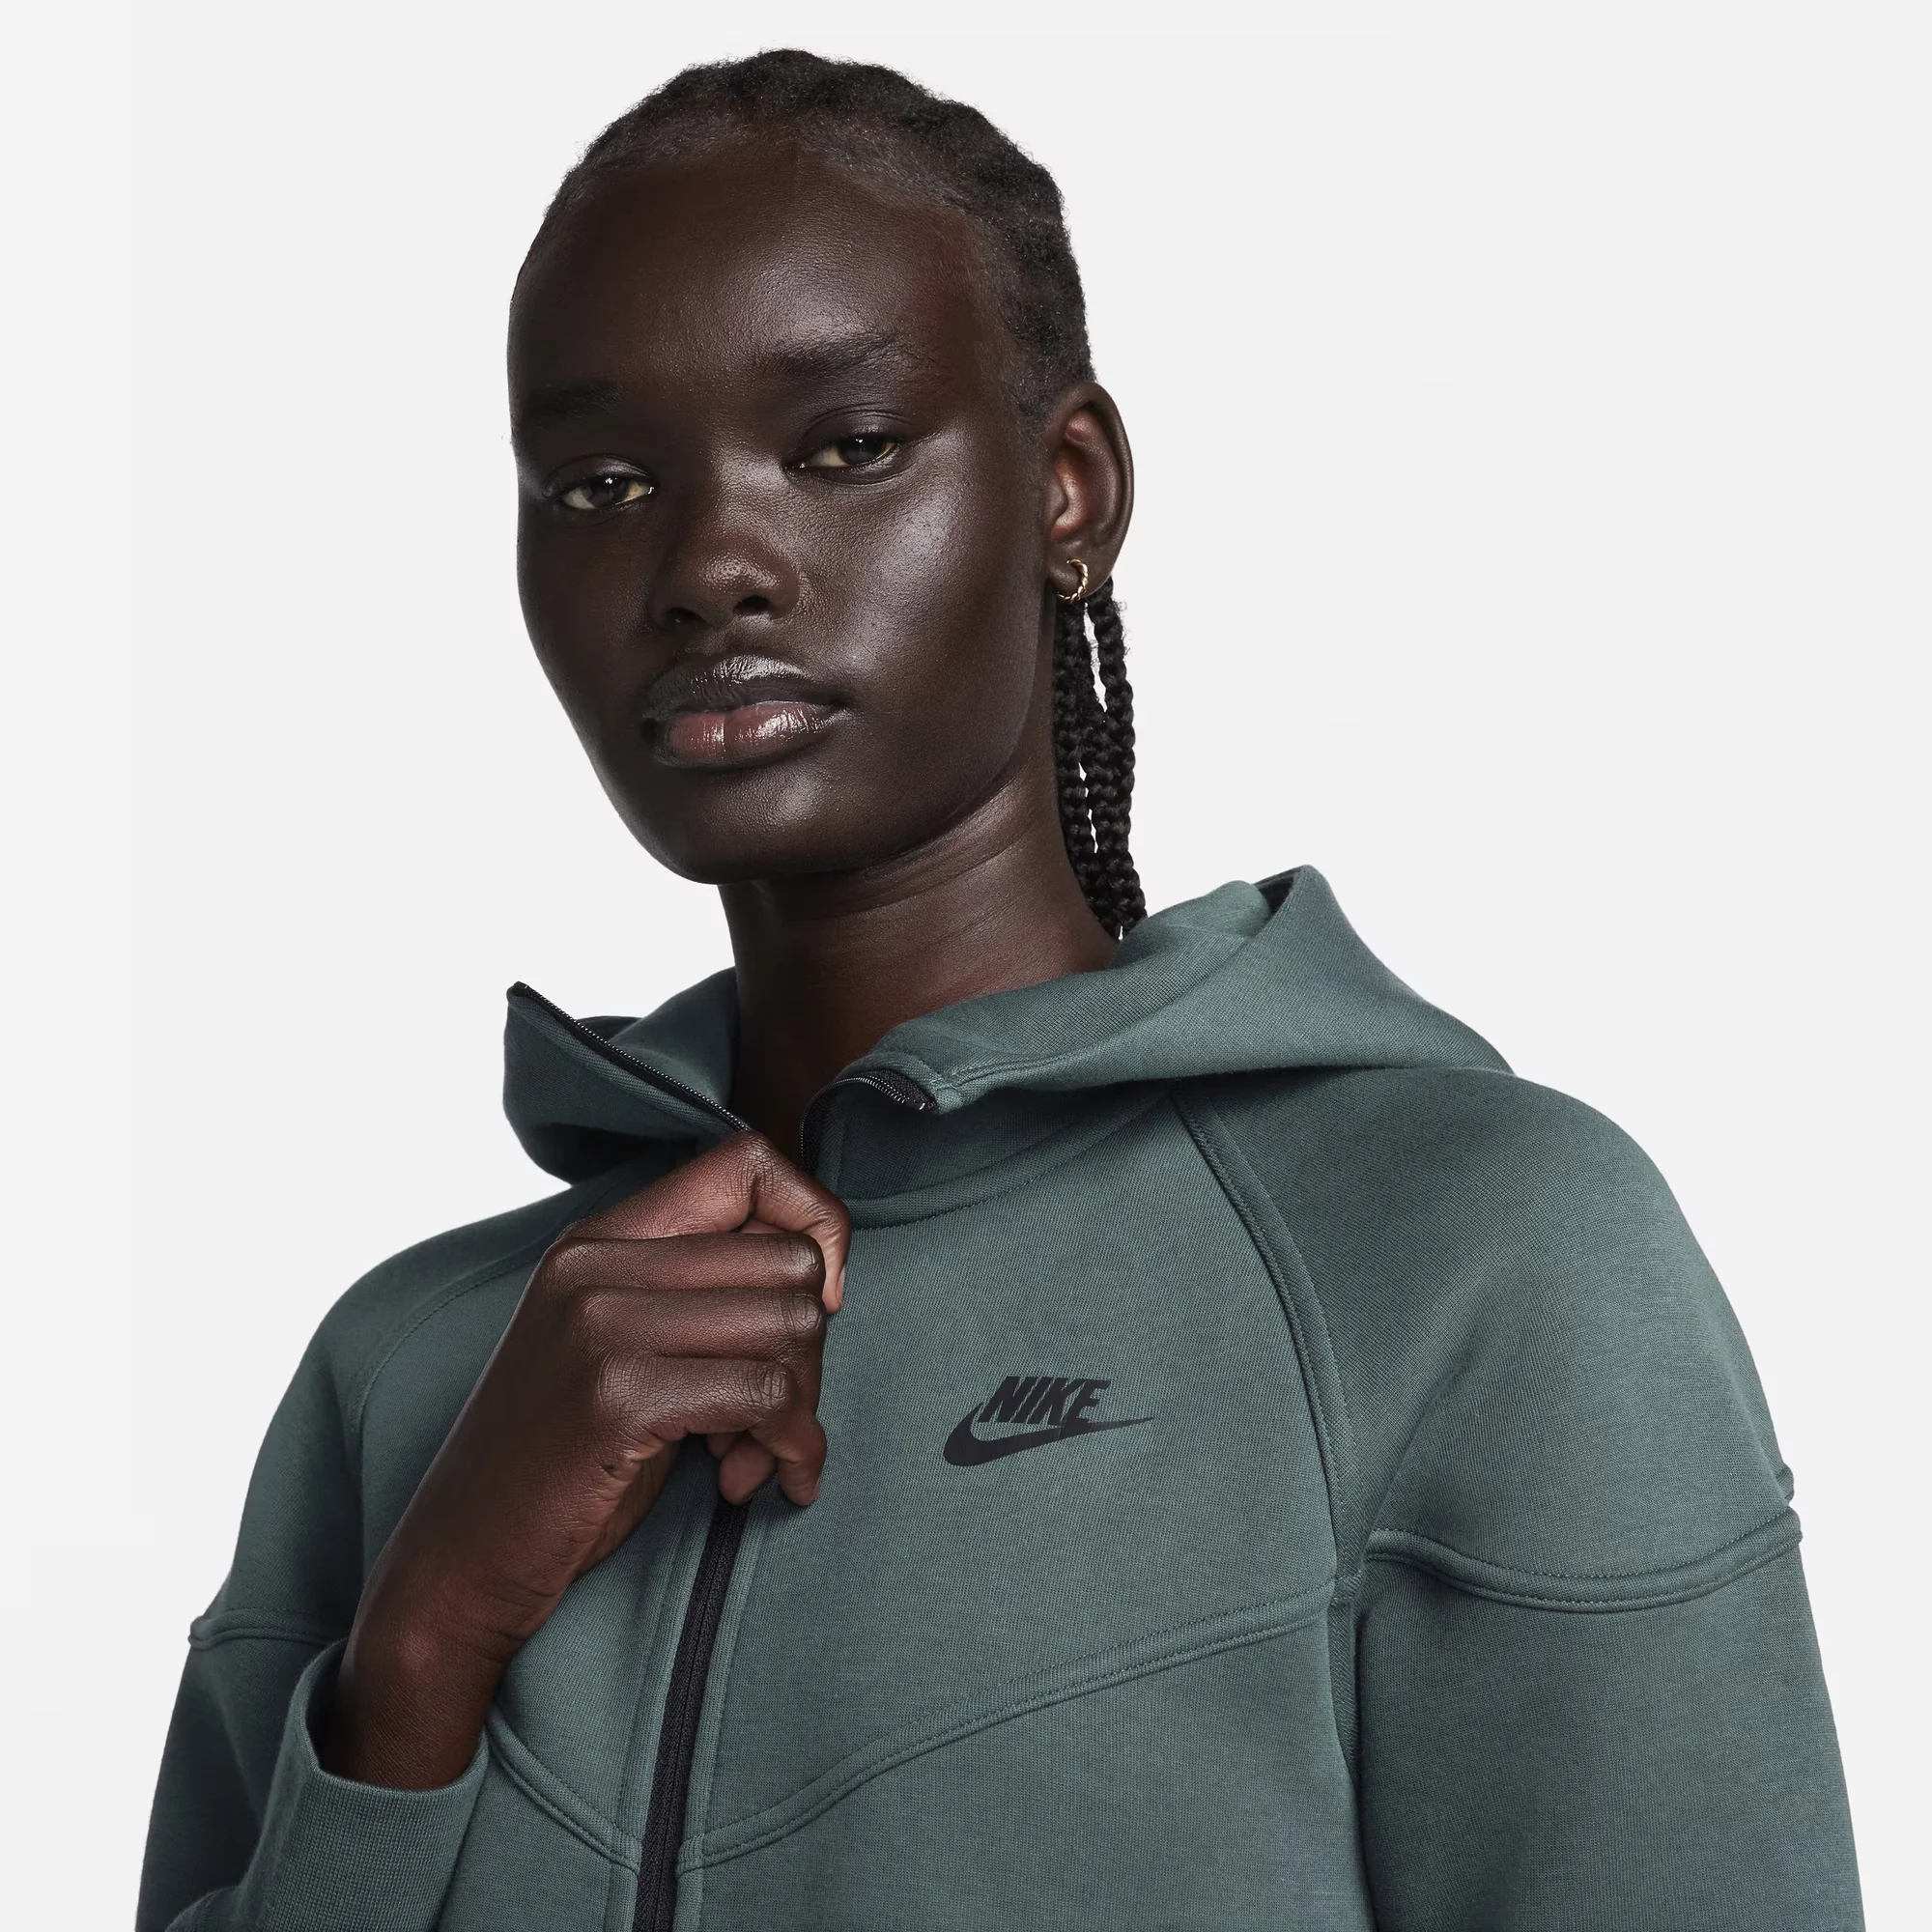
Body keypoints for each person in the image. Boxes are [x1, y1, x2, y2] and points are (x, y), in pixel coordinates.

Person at [136, 49, 1862, 1932]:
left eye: (842, 446)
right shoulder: (410, 1371)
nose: (709, 565)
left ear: (1067, 491)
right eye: (603, 482)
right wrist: (422, 1646)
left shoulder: (1460, 1255)